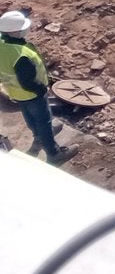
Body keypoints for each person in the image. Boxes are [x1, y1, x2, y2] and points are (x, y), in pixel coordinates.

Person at [0, 10, 71, 164]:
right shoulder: (21, 55)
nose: (26, 29)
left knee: (29, 117)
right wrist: (41, 89)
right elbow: (28, 82)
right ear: (13, 31)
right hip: (32, 94)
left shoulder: (2, 44)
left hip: (15, 92)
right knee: (43, 121)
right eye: (22, 27)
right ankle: (54, 153)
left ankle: (39, 137)